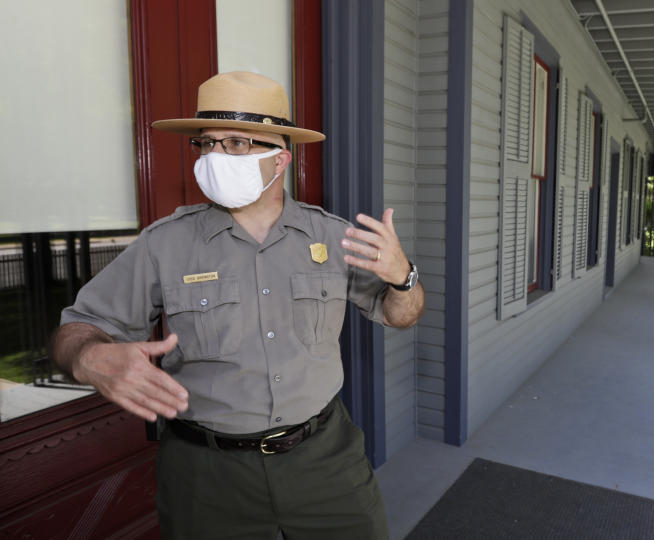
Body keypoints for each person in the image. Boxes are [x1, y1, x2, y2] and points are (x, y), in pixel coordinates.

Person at [50, 71, 424, 539]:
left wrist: (404, 278)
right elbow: (78, 327)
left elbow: (400, 315)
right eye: (206, 143)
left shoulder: (333, 235)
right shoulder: (165, 245)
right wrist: (88, 356)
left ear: (280, 159)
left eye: (237, 143)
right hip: (207, 478)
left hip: (325, 463)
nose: (214, 156)